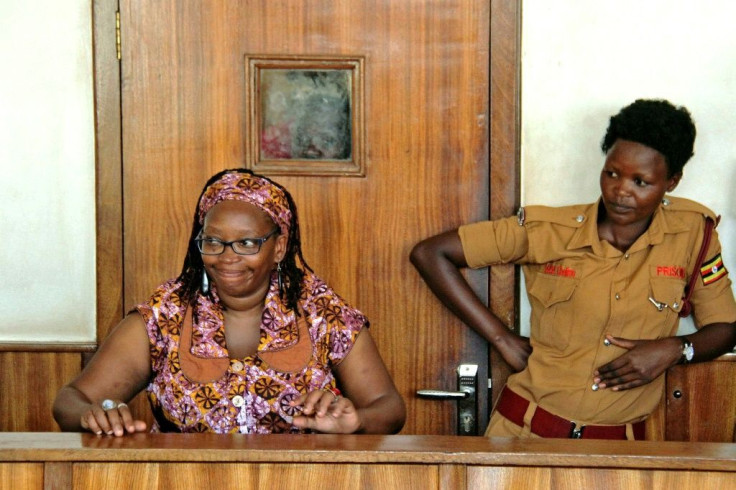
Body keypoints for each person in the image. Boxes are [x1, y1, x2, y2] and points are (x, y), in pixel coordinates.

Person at [410, 99, 736, 440]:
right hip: (523, 434)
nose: (620, 190)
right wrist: (500, 337)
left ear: (672, 182)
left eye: (641, 182)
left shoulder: (692, 235)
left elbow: (725, 327)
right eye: (612, 173)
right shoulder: (550, 230)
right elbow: (431, 253)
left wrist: (675, 350)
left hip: (621, 452)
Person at [54, 168, 405, 436]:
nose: (227, 257)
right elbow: (70, 399)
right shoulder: (165, 317)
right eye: (214, 242)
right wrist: (94, 416)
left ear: (278, 248)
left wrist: (356, 420)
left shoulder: (321, 313)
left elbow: (388, 408)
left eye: (247, 243)